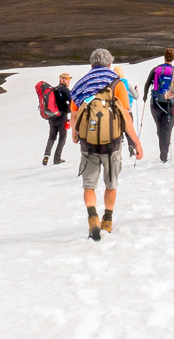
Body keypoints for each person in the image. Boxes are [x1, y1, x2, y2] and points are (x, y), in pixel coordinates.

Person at [70, 48, 144, 240]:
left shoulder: (80, 84)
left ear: (91, 64)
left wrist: (75, 134)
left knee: (89, 185)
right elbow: (126, 117)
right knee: (111, 183)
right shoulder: (117, 83)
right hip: (112, 143)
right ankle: (108, 220)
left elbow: (75, 113)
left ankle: (92, 216)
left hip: (88, 144)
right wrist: (136, 142)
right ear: (110, 64)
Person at [143, 48, 174, 163]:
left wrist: (145, 96)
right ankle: (164, 155)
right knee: (167, 130)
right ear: (173, 58)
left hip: (156, 103)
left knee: (159, 129)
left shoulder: (156, 69)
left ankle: (162, 152)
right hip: (170, 104)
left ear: (164, 57)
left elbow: (147, 83)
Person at [43, 72, 72, 166]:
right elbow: (72, 101)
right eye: (68, 79)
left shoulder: (54, 89)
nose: (69, 81)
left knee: (51, 137)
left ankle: (46, 155)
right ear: (62, 79)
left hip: (52, 117)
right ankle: (57, 158)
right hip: (62, 117)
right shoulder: (64, 89)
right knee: (62, 138)